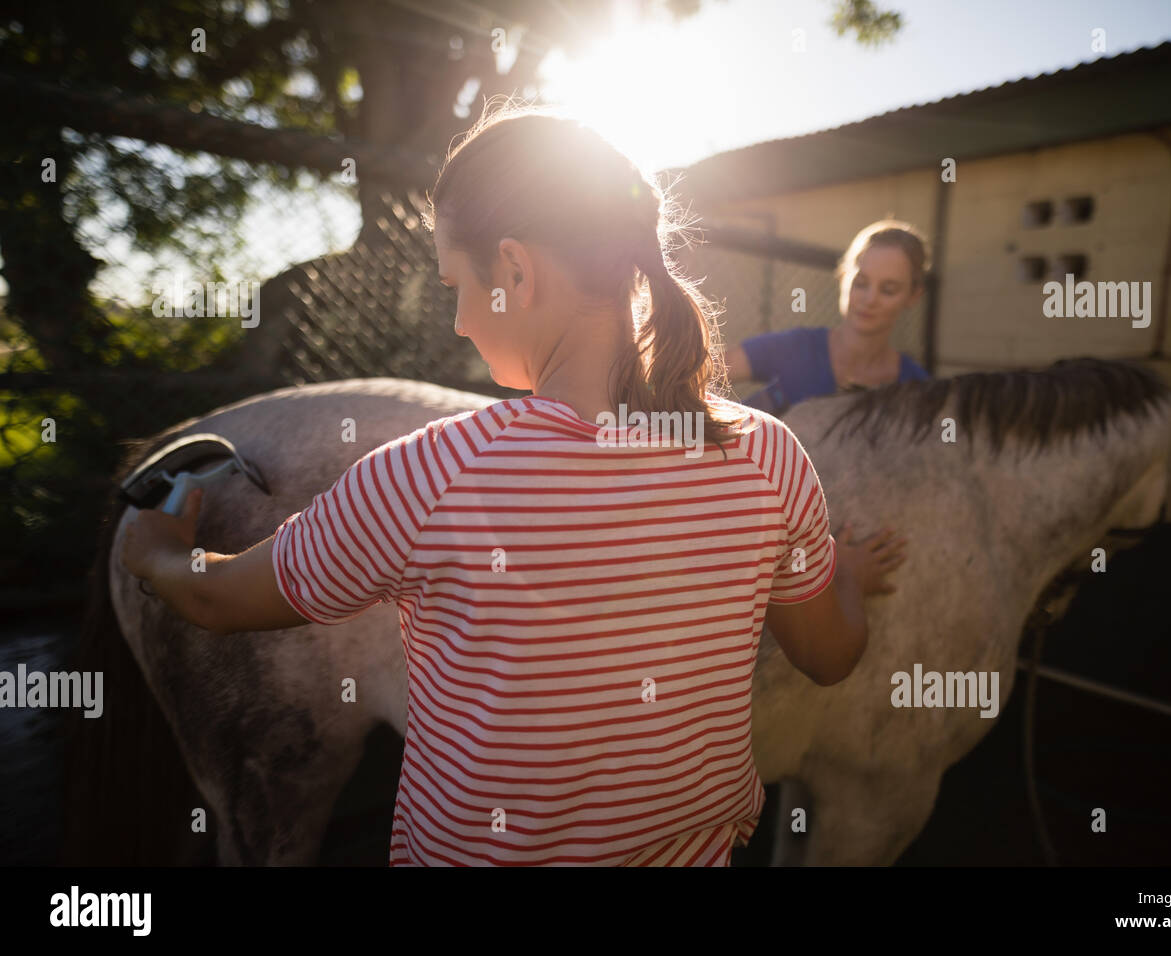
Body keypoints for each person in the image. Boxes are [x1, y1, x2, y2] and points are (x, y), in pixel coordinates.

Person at [121, 100, 896, 867]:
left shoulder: (429, 475)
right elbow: (829, 656)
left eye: (456, 283)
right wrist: (845, 578)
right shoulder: (769, 455)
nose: (458, 320)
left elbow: (216, 600)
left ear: (516, 271)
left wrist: (154, 551)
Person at [724, 219, 931, 417]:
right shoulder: (797, 348)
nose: (870, 299)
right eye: (860, 283)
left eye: (888, 289)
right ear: (842, 276)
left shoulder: (916, 390)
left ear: (913, 296)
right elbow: (704, 369)